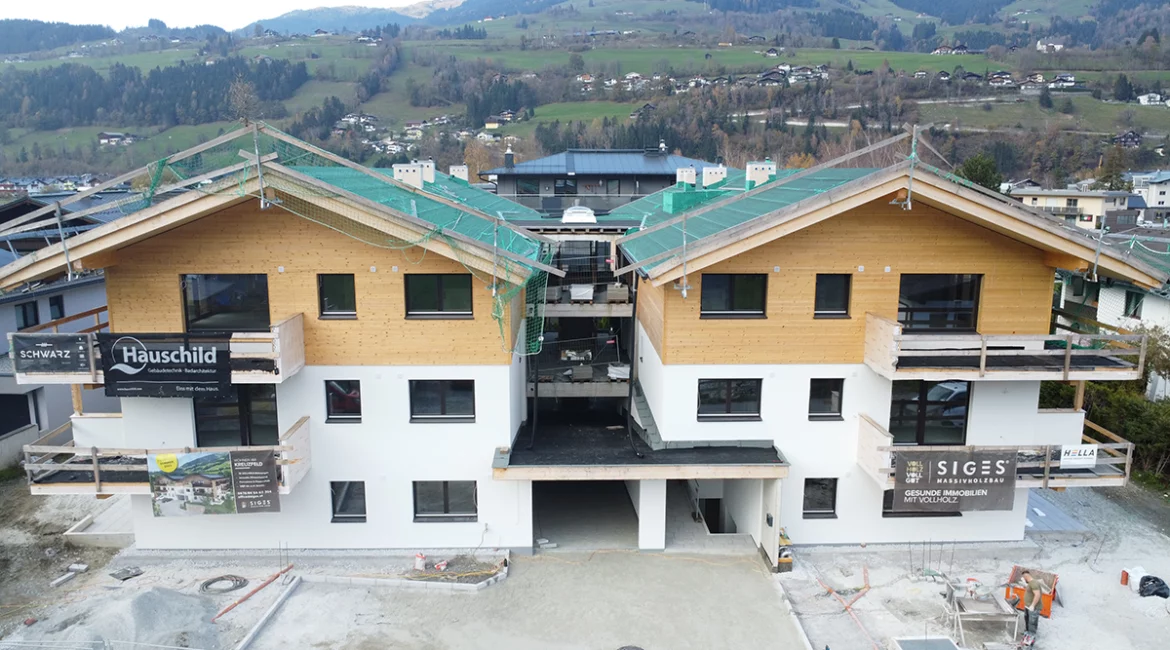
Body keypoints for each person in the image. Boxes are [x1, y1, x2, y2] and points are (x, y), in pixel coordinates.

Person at [1020, 570, 1049, 638]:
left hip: (1034, 607)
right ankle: (1027, 632)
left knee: (1032, 622)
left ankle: (1031, 636)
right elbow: (1030, 591)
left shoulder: (1034, 583)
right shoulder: (1030, 583)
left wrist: (1032, 605)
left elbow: (1037, 595)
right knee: (1027, 620)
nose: (1023, 579)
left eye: (1023, 578)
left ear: (1025, 577)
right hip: (1028, 606)